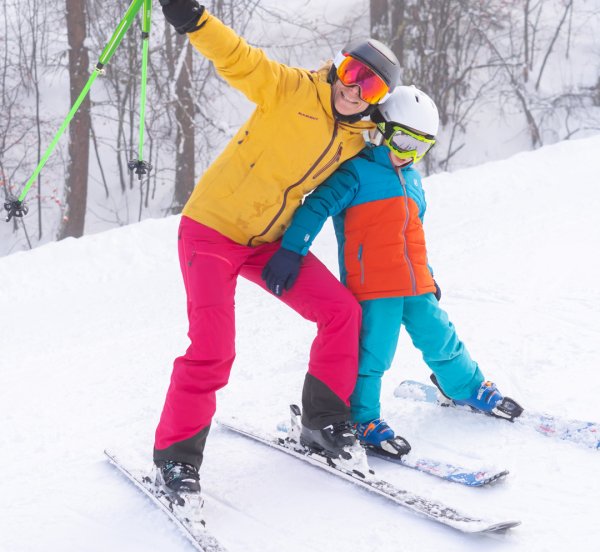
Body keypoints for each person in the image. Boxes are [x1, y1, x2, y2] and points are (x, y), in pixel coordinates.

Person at [154, 0, 402, 493]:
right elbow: (239, 57)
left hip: (270, 242)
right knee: (213, 349)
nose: (354, 90)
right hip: (212, 230)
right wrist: (193, 20)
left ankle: (322, 423)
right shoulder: (290, 89)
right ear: (337, 66)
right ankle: (176, 459)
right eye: (351, 72)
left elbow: (408, 129)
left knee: (342, 314)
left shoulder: (359, 137)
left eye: (370, 85)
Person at [264, 85, 523, 458]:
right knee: (373, 354)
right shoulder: (354, 173)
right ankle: (363, 418)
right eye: (403, 141)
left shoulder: (414, 181)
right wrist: (291, 251)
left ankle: (463, 385)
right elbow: (315, 207)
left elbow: (412, 236)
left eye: (421, 148)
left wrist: (428, 276)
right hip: (373, 287)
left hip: (415, 283)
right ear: (380, 129)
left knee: (441, 337)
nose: (410, 155)